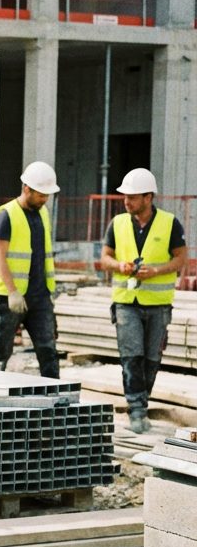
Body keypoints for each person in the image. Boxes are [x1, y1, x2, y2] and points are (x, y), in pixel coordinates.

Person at [99, 168, 189, 434]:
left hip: (159, 304)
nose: (126, 202)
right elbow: (105, 258)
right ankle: (136, 411)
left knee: (151, 360)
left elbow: (181, 258)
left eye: (132, 197)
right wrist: (120, 266)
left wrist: (157, 270)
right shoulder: (117, 223)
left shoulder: (170, 223)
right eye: (125, 197)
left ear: (148, 197)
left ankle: (142, 402)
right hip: (126, 301)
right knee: (131, 358)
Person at [0, 161, 61, 379]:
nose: (45, 200)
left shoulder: (43, 213)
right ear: (26, 189)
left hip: (39, 296)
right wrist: (13, 291)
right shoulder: (7, 215)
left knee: (48, 350)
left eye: (47, 195)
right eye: (41, 195)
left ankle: (54, 401)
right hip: (9, 298)